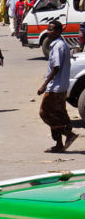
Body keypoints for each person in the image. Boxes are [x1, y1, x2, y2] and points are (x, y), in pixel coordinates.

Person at [37, 20, 78, 153]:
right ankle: (59, 144)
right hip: (61, 85)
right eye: (48, 29)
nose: (49, 31)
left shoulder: (58, 46)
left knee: (45, 113)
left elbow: (56, 67)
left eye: (52, 29)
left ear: (59, 31)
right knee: (57, 115)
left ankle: (68, 133)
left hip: (55, 87)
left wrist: (44, 85)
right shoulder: (59, 44)